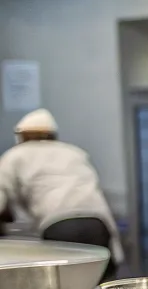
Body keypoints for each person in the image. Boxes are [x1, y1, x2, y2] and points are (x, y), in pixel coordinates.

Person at [0, 108, 122, 280]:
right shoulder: (75, 153)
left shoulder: (14, 156)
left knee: (64, 286)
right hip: (97, 225)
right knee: (99, 284)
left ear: (22, 136)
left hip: (59, 227)